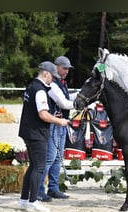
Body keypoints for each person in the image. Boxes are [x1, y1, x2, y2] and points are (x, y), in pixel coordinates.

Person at [17, 61, 69, 212]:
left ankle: (23, 200)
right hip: (37, 133)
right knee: (39, 167)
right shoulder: (40, 90)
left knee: (33, 166)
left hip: (27, 131)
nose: (53, 80)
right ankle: (33, 201)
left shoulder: (31, 86)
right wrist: (60, 121)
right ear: (46, 73)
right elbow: (43, 114)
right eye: (52, 77)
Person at [38, 56, 77, 202]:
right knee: (49, 158)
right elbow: (64, 103)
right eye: (64, 68)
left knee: (57, 158)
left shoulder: (62, 83)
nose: (66, 71)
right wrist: (82, 103)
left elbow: (68, 97)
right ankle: (39, 189)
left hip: (61, 124)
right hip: (54, 124)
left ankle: (53, 188)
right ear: (56, 66)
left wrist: (82, 95)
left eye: (67, 68)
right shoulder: (53, 83)